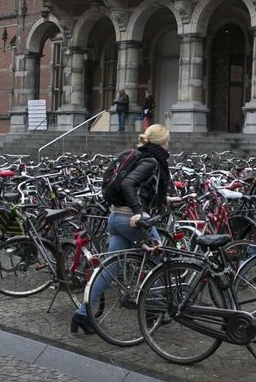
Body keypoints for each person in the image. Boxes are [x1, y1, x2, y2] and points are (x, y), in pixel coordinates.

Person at [72, 124, 179, 335]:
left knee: (110, 269)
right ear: (161, 141)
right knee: (161, 261)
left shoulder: (140, 156)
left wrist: (164, 199)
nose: (169, 144)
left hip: (116, 217)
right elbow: (128, 184)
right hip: (131, 220)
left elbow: (142, 188)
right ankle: (152, 309)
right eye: (167, 140)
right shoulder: (151, 161)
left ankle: (82, 315)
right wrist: (138, 211)